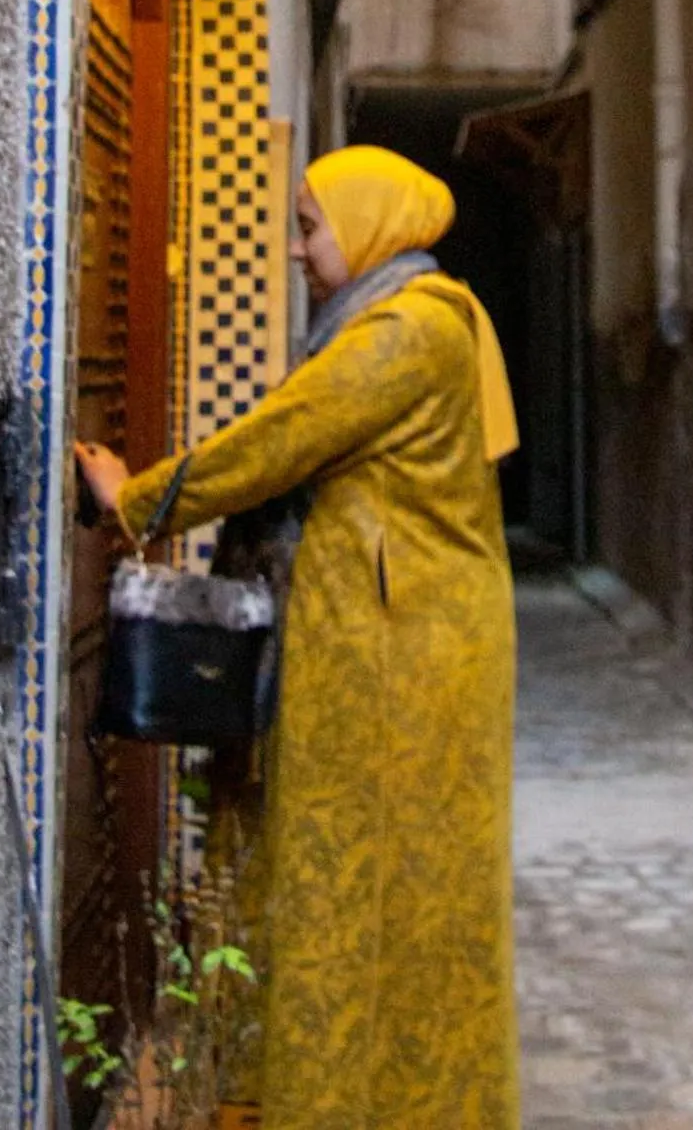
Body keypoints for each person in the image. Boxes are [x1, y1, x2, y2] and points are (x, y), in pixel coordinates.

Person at [77, 144, 521, 1130]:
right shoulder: (406, 319)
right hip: (397, 641)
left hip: (401, 659)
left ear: (366, 227)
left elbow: (280, 438)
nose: (293, 249)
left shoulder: (409, 333)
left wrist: (136, 498)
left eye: (310, 226)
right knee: (366, 879)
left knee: (379, 887)